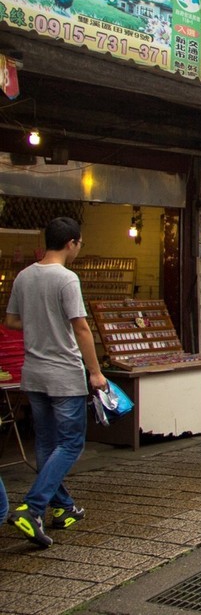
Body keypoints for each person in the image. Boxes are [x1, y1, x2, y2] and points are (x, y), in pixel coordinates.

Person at [4, 217, 104, 548]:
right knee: (72, 443)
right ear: (71, 243)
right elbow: (81, 328)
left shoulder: (24, 276)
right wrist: (96, 372)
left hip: (33, 374)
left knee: (46, 444)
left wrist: (38, 323)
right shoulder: (67, 279)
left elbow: (12, 321)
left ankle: (63, 508)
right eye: (80, 245)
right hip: (64, 374)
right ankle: (32, 509)